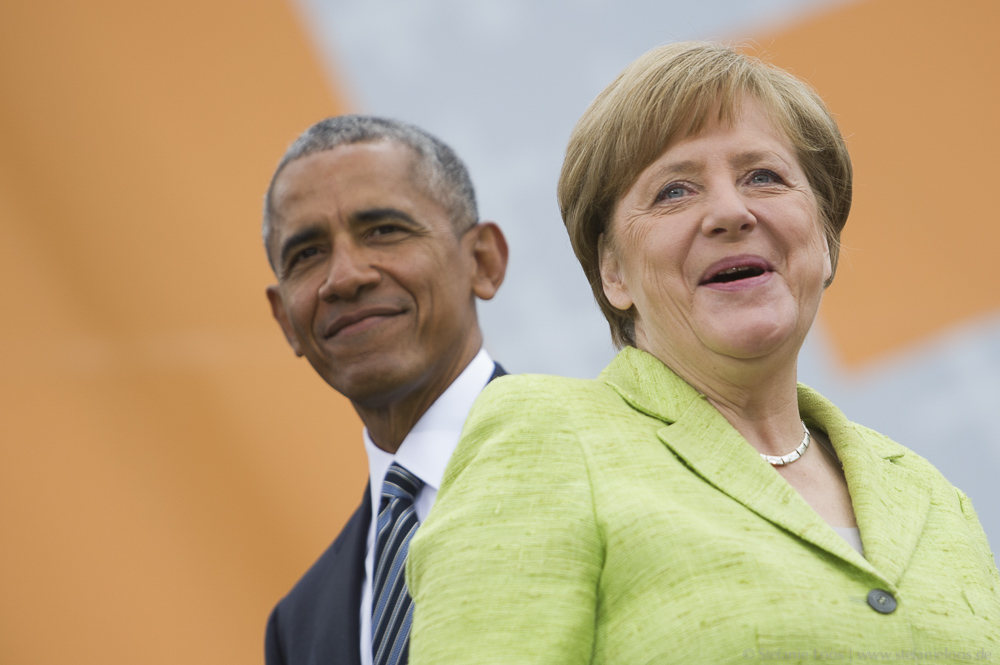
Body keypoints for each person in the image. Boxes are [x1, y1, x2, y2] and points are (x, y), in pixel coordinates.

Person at [406, 42, 1000, 662]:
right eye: (674, 191)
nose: (729, 212)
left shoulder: (931, 495)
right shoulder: (546, 433)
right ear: (613, 271)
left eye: (763, 177)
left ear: (823, 239)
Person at [262, 115, 508, 665]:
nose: (344, 277)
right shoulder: (296, 626)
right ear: (285, 321)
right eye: (307, 255)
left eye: (384, 231)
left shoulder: (615, 458)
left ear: (482, 261)